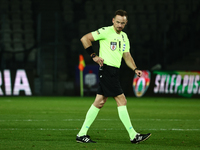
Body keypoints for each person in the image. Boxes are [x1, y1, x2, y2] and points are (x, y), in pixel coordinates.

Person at [76, 10, 151, 144]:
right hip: (107, 70)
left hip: (113, 71)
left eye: (122, 23)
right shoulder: (105, 31)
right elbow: (85, 39)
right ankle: (133, 135)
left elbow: (126, 56)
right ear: (113, 20)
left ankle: (81, 134)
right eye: (118, 22)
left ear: (126, 23)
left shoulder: (124, 37)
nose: (120, 25)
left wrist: (135, 68)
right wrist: (94, 56)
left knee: (99, 102)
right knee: (122, 100)